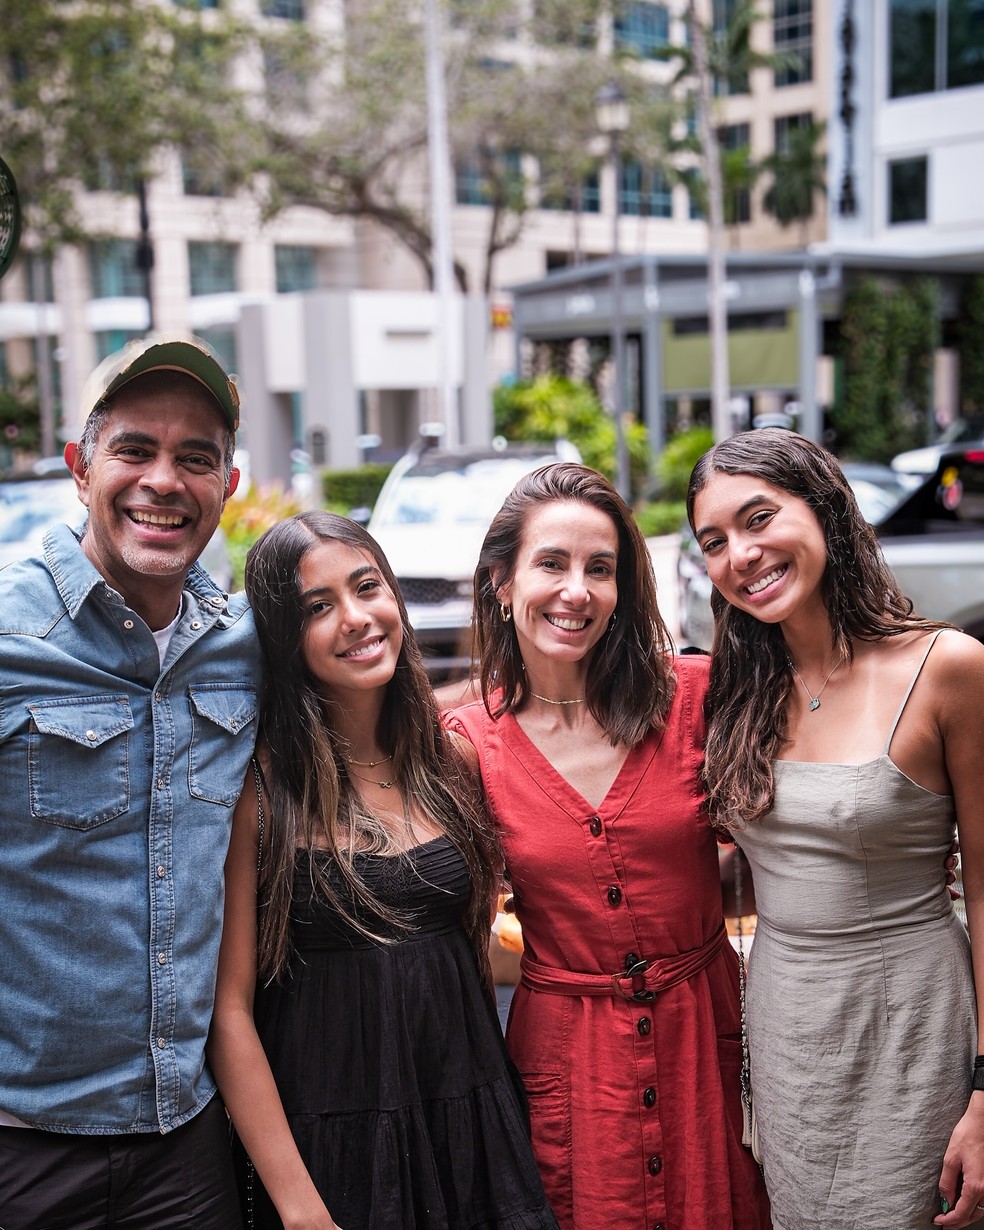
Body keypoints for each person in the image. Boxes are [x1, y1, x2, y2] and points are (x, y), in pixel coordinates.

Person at [207, 511, 559, 1230]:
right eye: (318, 607)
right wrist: (300, 1210)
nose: (356, 618)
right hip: (331, 1148)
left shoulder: (450, 762)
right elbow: (228, 1012)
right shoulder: (261, 791)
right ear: (283, 637)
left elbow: (470, 955)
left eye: (367, 587)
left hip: (469, 1124)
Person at [446, 462, 771, 1230]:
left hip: (705, 1040)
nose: (577, 591)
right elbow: (457, 928)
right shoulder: (467, 743)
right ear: (501, 583)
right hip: (570, 1068)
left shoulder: (695, 698)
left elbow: (776, 851)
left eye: (600, 568)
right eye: (551, 564)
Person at [686, 430, 984, 1230]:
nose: (741, 554)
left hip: (912, 1024)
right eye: (714, 541)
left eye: (759, 518)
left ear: (825, 510)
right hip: (787, 1033)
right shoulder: (737, 690)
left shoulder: (948, 667)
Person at [0, 335, 260, 1228]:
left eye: (196, 459)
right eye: (135, 450)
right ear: (81, 470)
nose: (163, 481)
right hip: (20, 1148)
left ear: (228, 485)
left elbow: (378, 703)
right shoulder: (8, 637)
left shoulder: (242, 647)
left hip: (185, 1141)